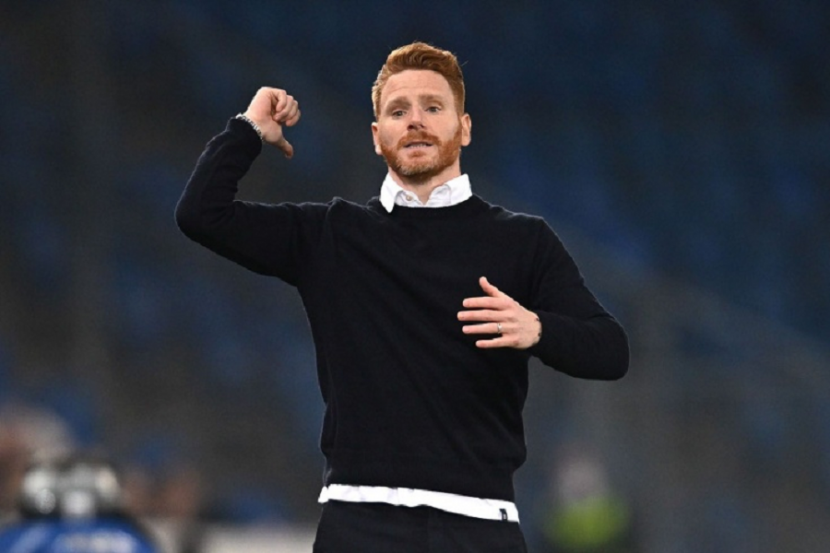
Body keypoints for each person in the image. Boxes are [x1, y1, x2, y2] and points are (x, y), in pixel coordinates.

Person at [176, 41, 629, 552]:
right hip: (359, 524)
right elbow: (201, 214)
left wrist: (539, 329)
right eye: (398, 111)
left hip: (479, 525)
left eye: (433, 107)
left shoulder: (523, 241)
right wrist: (249, 129)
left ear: (465, 127)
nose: (415, 120)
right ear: (377, 137)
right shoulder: (331, 235)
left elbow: (611, 350)